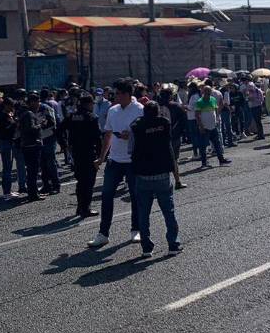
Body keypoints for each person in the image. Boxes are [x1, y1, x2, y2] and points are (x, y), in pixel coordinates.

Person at [88, 79, 145, 248]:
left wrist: (132, 136)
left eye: (118, 93)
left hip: (133, 160)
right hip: (114, 160)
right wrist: (101, 157)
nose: (115, 96)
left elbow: (145, 134)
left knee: (135, 196)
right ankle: (103, 233)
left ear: (127, 94)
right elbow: (108, 135)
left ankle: (136, 229)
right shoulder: (113, 110)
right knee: (106, 195)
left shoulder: (140, 110)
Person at [130, 101, 183, 258]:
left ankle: (146, 248)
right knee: (168, 211)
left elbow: (130, 149)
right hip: (162, 173)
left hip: (143, 174)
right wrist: (175, 174)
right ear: (158, 112)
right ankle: (173, 244)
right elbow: (169, 145)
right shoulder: (164, 123)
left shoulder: (137, 126)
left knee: (143, 214)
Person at [62, 94, 102, 217]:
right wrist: (100, 156)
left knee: (80, 181)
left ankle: (80, 207)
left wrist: (64, 144)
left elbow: (59, 130)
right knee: (89, 182)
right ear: (88, 104)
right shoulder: (92, 117)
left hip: (76, 153)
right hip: (89, 153)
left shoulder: (72, 116)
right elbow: (98, 138)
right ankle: (86, 208)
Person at [16, 92, 45, 201]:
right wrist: (40, 125)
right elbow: (31, 128)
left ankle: (33, 192)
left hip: (26, 145)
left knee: (31, 170)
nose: (39, 104)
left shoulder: (23, 113)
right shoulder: (29, 114)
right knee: (33, 171)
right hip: (32, 145)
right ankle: (33, 194)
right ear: (32, 102)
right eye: (37, 102)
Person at [194, 83, 231, 167]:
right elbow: (197, 115)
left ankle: (221, 160)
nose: (208, 93)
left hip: (213, 126)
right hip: (205, 127)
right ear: (203, 92)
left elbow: (216, 110)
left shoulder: (213, 99)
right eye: (206, 91)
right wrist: (201, 126)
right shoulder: (200, 102)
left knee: (217, 144)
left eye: (209, 91)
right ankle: (204, 162)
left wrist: (217, 119)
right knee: (203, 146)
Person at [0, 99, 23, 201]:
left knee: (9, 167)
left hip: (9, 142)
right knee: (7, 168)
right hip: (5, 142)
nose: (12, 108)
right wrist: (15, 123)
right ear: (6, 105)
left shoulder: (8, 115)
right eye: (11, 105)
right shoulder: (1, 116)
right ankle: (6, 192)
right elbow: (5, 130)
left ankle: (8, 190)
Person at [38, 89, 61, 194]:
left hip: (49, 137)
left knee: (50, 162)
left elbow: (53, 122)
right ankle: (46, 185)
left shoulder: (46, 107)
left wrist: (41, 125)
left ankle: (56, 185)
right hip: (41, 138)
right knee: (43, 163)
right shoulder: (35, 108)